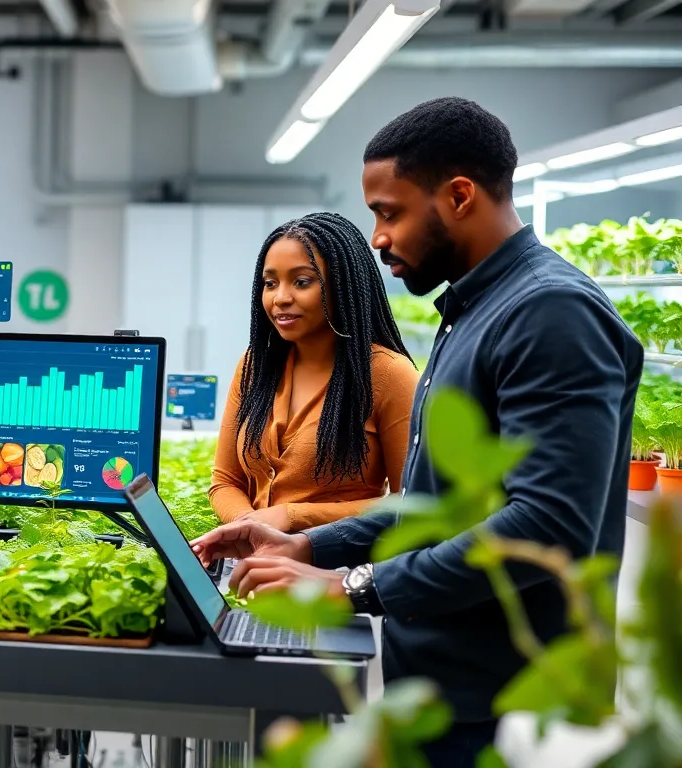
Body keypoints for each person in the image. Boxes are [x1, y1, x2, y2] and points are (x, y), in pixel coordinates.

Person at [193, 97, 642, 767]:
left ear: (459, 196)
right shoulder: (474, 312)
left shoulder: (550, 313)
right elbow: (436, 506)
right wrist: (308, 545)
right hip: (445, 688)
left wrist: (352, 586)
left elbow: (548, 524)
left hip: (510, 707)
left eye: (389, 212)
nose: (377, 238)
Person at [209, 211, 418, 533]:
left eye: (302, 282)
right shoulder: (255, 365)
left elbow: (413, 503)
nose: (280, 298)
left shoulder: (388, 374)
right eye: (270, 283)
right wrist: (249, 527)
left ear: (343, 286)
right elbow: (225, 481)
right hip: (253, 566)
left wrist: (292, 517)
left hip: (339, 571)